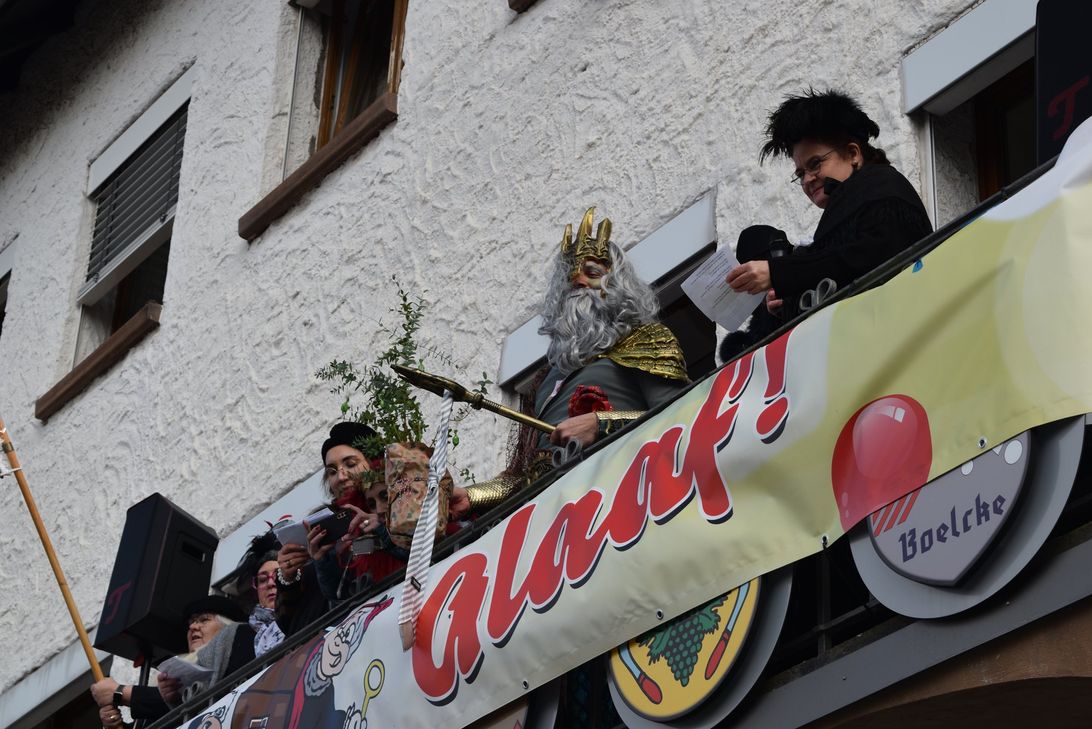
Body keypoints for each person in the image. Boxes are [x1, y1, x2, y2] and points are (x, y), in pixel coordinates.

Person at [452, 207, 690, 514]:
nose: (578, 281)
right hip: (557, 515)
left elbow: (683, 414)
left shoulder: (647, 340)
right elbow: (528, 474)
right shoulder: (545, 381)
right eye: (570, 278)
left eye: (591, 273)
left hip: (624, 497)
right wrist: (474, 496)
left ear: (616, 285)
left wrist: (600, 425)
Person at [725, 89, 933, 325]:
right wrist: (790, 299)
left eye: (815, 164)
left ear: (853, 154)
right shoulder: (852, 199)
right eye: (800, 173)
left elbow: (867, 257)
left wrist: (779, 273)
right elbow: (838, 272)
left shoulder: (880, 187)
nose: (807, 179)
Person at [275, 422, 406, 636]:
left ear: (374, 464)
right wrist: (290, 577)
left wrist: (382, 528)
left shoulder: (403, 500)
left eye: (351, 463)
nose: (341, 477)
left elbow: (425, 549)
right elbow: (299, 619)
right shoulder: (323, 526)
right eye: (332, 471)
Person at [92, 595, 247, 727]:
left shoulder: (241, 634)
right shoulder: (177, 669)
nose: (193, 626)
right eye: (191, 622)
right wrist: (114, 724)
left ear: (227, 625)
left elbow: (194, 698)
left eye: (204, 620)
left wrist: (120, 692)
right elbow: (167, 713)